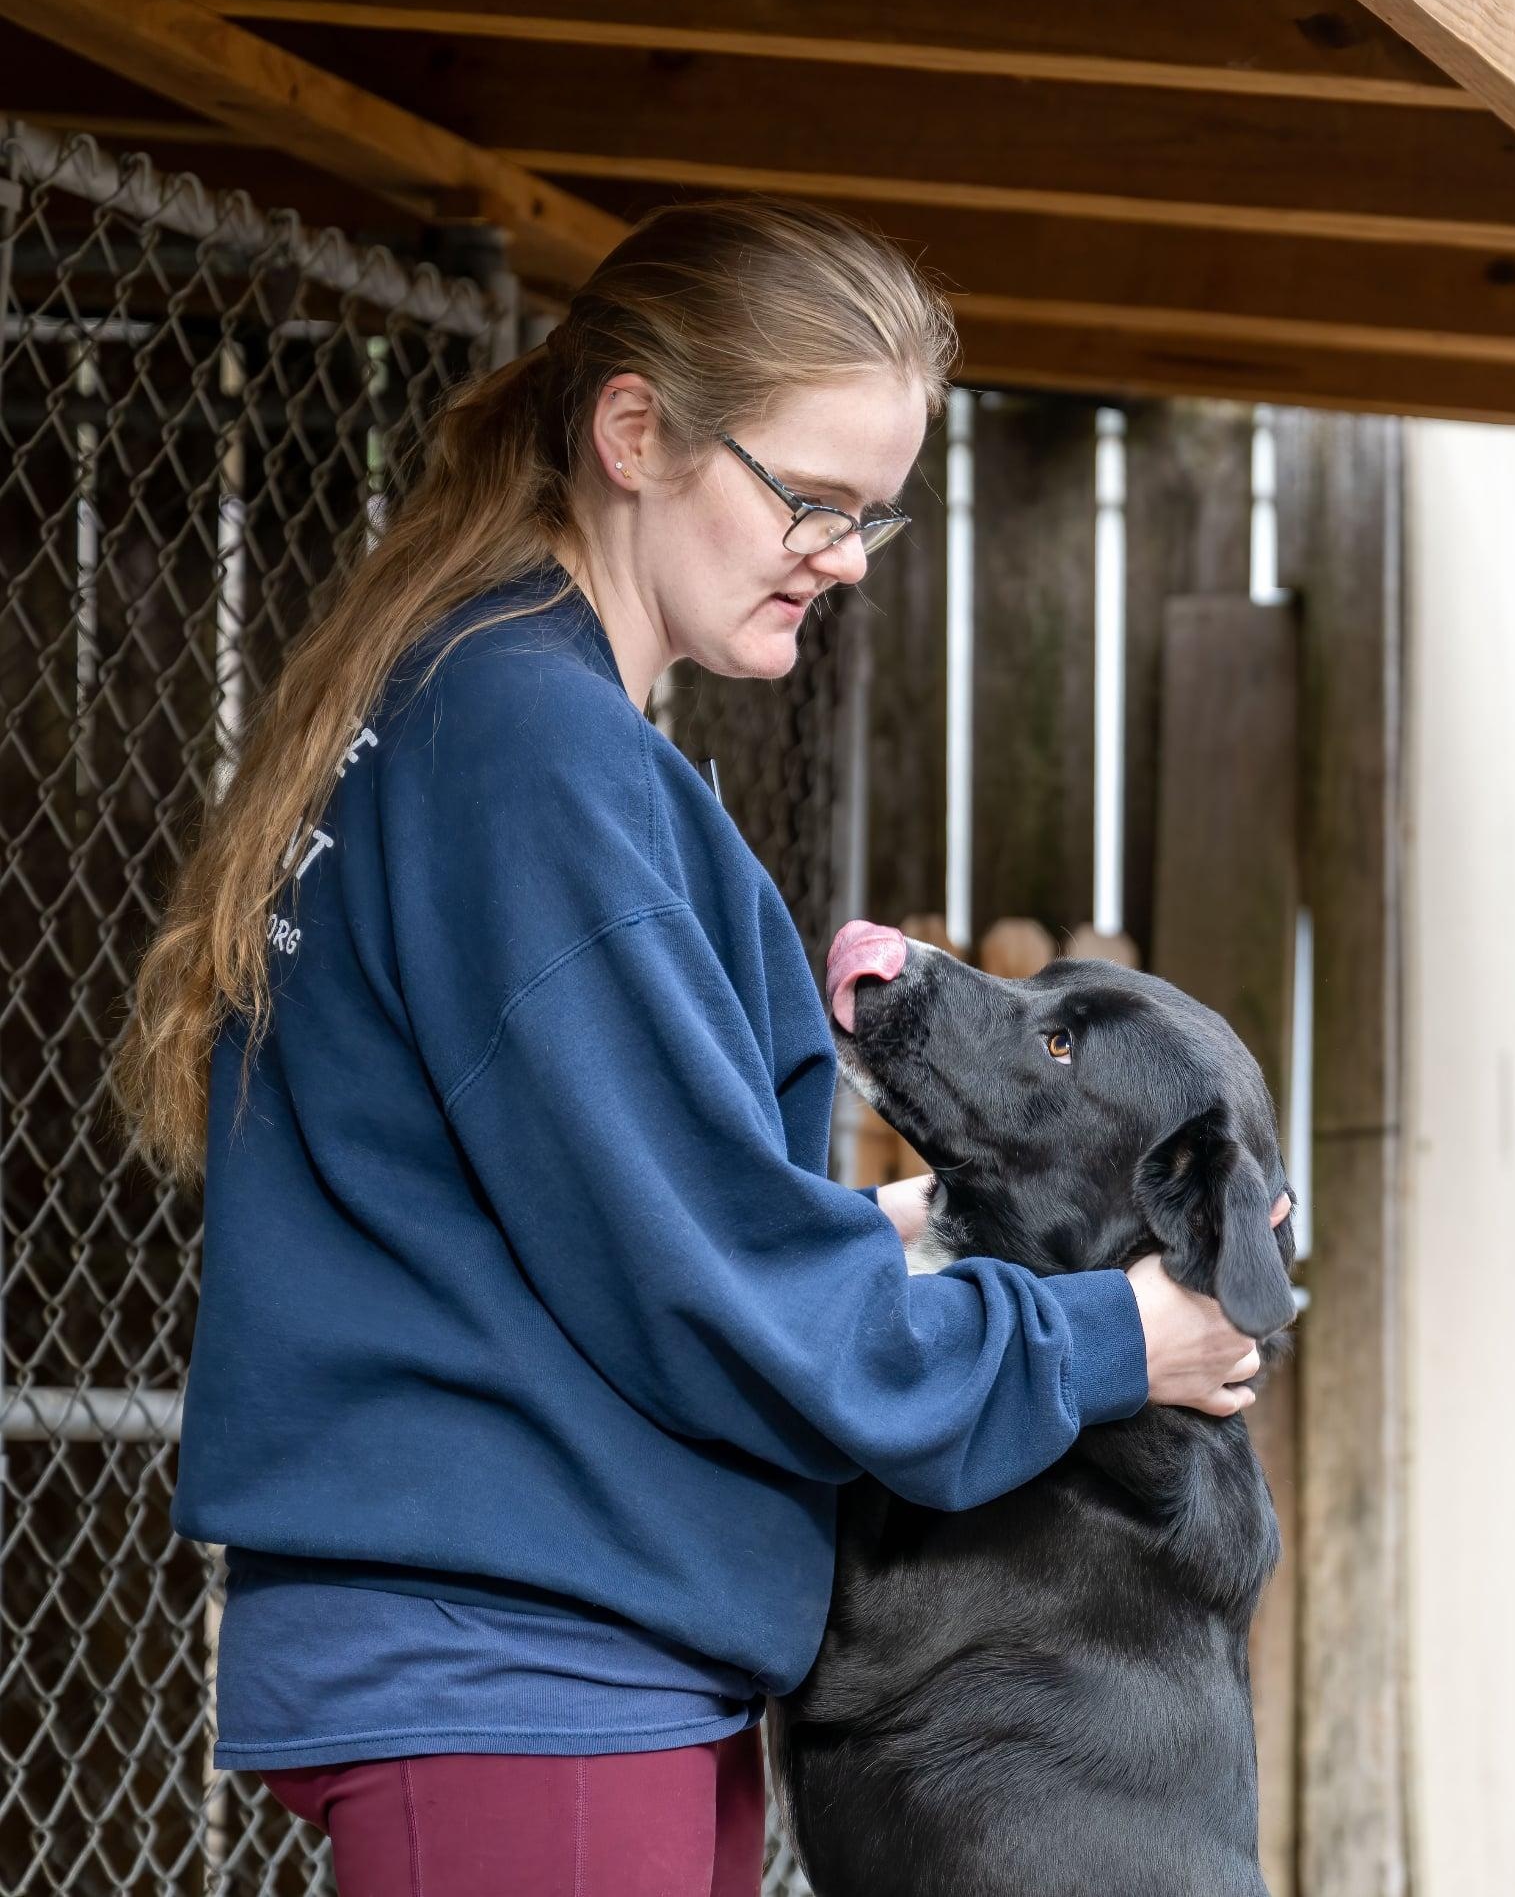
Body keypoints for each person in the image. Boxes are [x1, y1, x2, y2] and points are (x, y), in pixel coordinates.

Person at [109, 195, 1271, 1897]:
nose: (847, 553)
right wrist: (1106, 1342)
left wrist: (869, 1235)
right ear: (636, 431)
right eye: (810, 497)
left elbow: (590, 1208)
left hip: (565, 1646)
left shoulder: (509, 710)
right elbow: (702, 1287)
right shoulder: (536, 749)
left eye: (874, 514)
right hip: (526, 1674)